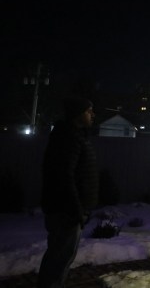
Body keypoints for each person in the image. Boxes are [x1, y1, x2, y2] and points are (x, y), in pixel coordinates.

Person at [38, 97, 99, 288]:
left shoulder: (74, 136)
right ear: (77, 114)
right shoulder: (68, 138)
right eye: (89, 111)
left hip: (68, 210)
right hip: (66, 212)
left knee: (60, 258)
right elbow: (64, 177)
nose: (93, 114)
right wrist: (77, 210)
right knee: (60, 259)